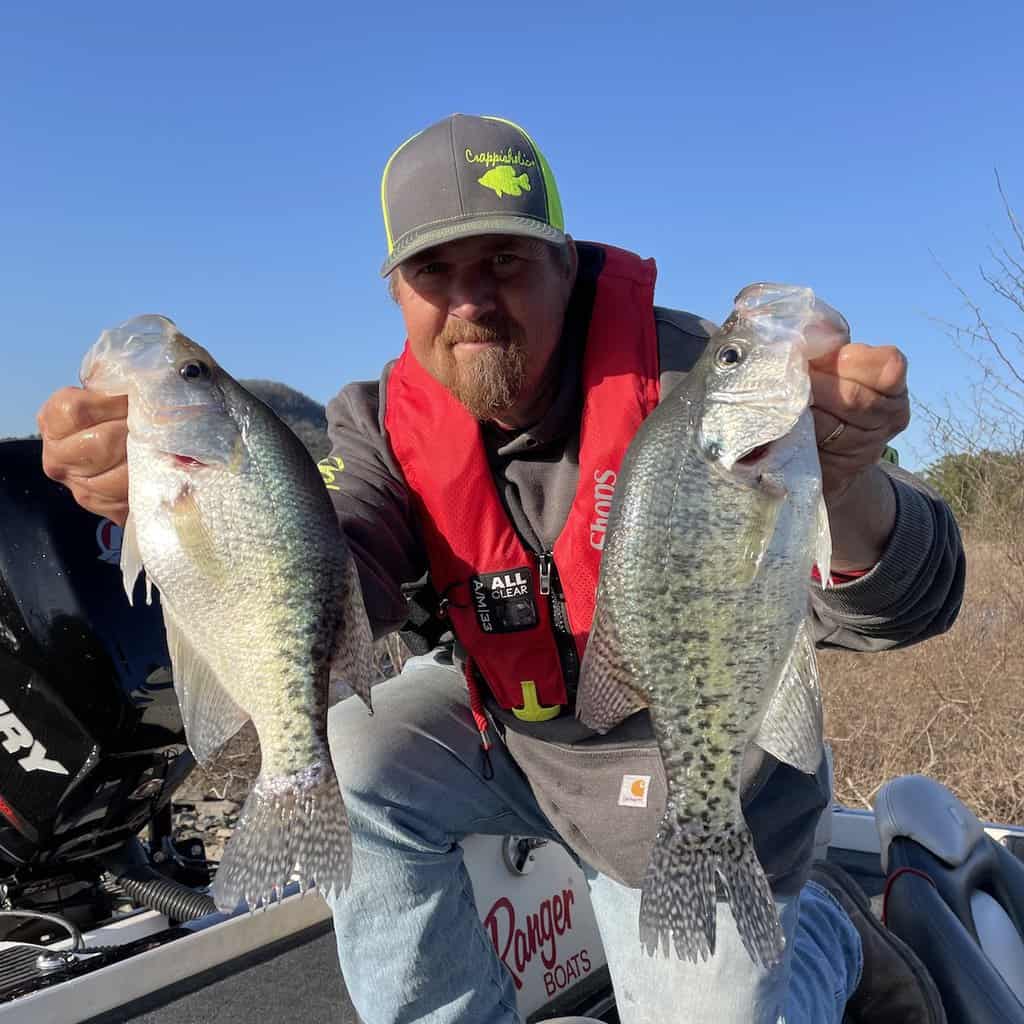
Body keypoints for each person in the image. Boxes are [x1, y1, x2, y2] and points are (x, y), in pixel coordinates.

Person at [37, 114, 962, 1024]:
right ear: (397, 291)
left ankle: (826, 939)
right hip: (515, 744)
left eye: (504, 262)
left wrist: (846, 488)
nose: (470, 300)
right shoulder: (379, 423)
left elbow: (912, 601)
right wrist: (199, 526)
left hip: (694, 790)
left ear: (565, 260)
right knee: (349, 746)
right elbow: (342, 570)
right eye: (434, 270)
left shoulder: (702, 394)